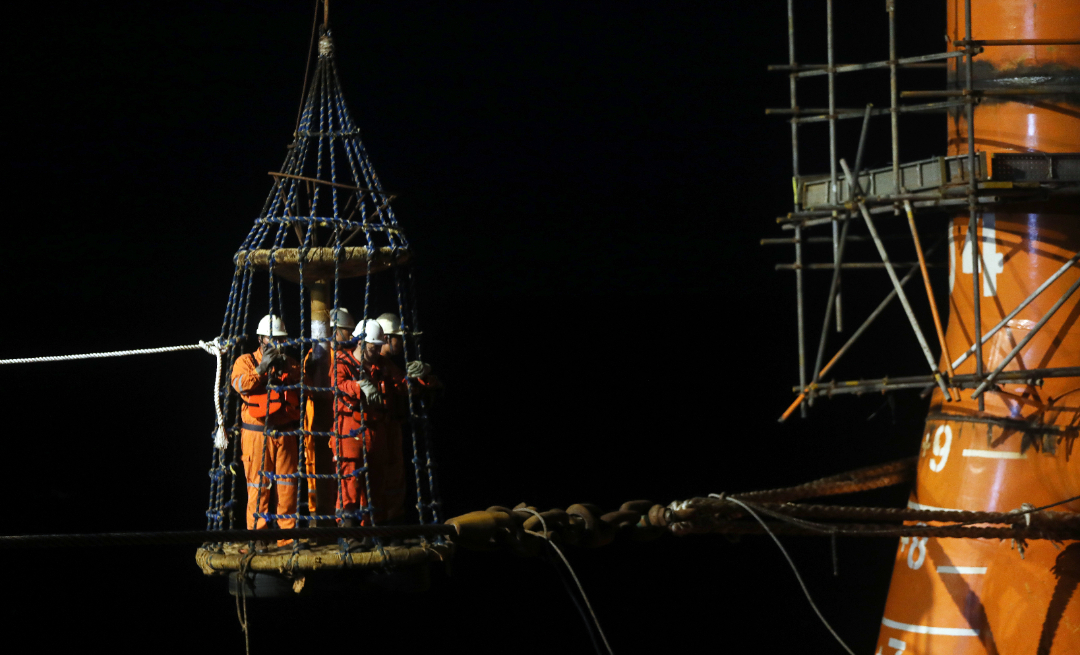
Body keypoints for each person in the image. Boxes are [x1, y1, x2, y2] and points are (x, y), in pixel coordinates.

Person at [230, 314, 302, 545]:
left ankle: (286, 538)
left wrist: (288, 372)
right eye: (272, 339)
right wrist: (261, 369)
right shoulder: (246, 361)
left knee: (288, 486)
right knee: (257, 486)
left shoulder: (291, 365)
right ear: (261, 339)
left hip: (285, 432)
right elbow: (238, 385)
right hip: (256, 434)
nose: (277, 344)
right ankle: (258, 537)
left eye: (281, 339)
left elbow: (303, 391)